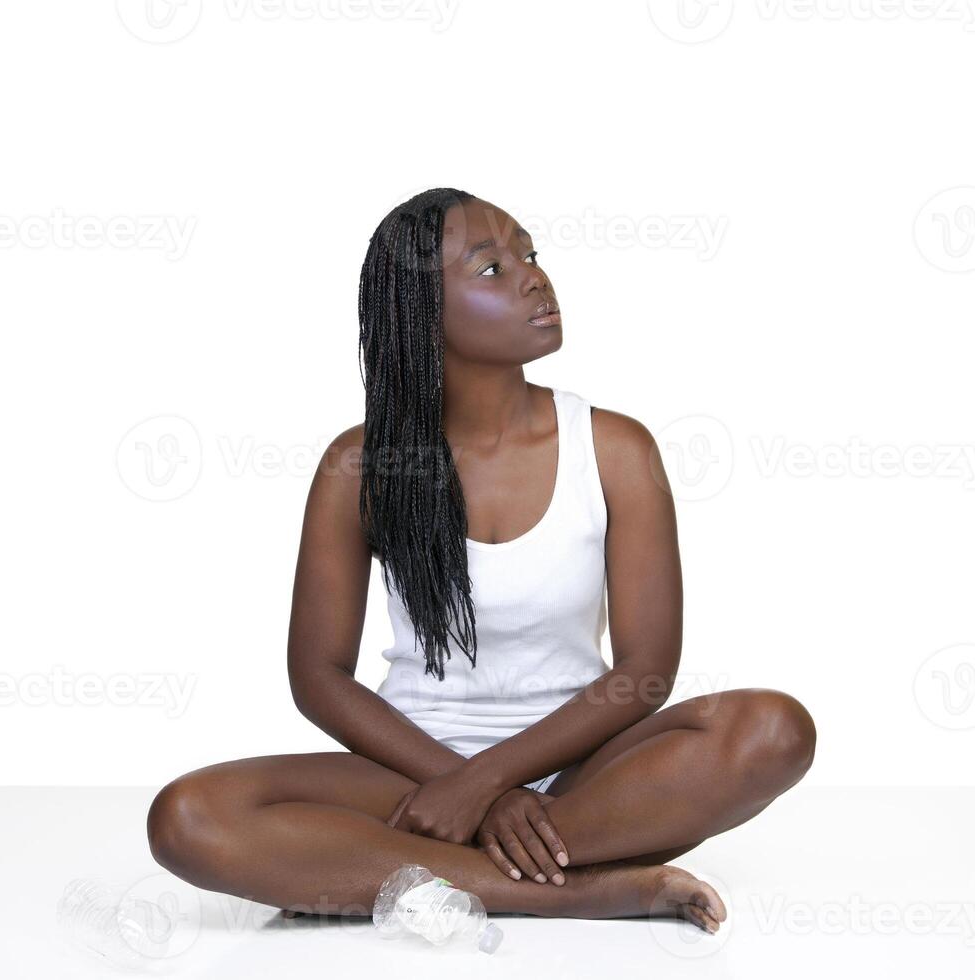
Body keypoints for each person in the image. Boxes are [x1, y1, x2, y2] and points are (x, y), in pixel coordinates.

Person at [146, 188, 816, 933]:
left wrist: (492, 782)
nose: (533, 276)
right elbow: (318, 677)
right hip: (406, 774)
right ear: (424, 312)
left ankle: (391, 871)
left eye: (529, 254)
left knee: (773, 730)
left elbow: (645, 671)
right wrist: (460, 784)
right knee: (188, 817)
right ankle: (573, 889)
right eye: (492, 268)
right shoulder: (359, 465)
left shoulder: (619, 450)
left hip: (584, 775)